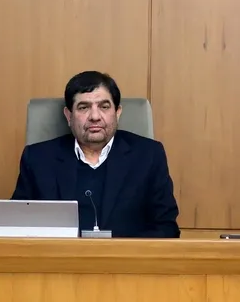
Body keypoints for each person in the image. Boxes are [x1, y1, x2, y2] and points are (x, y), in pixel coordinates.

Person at [11, 71, 180, 238]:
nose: (94, 116)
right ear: (68, 116)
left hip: (126, 255)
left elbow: (166, 227)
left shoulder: (149, 156)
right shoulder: (38, 159)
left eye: (104, 107)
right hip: (60, 255)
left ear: (117, 112)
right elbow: (16, 225)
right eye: (83, 107)